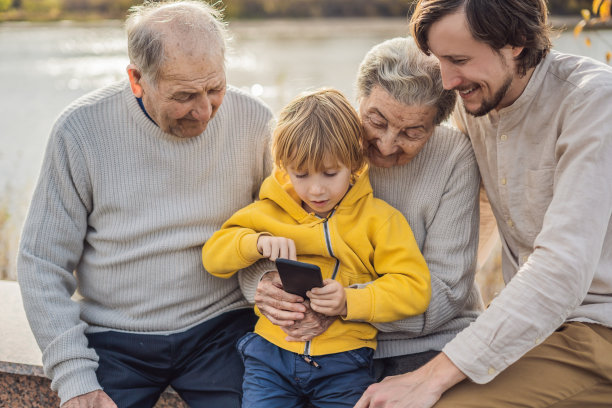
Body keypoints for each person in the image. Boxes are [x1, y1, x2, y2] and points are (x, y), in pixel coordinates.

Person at [355, 0, 612, 407]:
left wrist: (430, 377)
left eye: (459, 59)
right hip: (539, 328)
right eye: (439, 60)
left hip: (598, 329)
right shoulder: (477, 100)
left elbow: (561, 269)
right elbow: (482, 212)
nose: (447, 81)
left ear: (517, 42)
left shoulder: (593, 103)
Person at [16, 1, 273, 407]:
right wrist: (73, 374)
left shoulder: (256, 121)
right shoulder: (80, 131)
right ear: (137, 80)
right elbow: (41, 262)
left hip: (222, 329)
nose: (204, 110)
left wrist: (264, 280)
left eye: (215, 89)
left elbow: (282, 226)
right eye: (185, 95)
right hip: (114, 340)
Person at [238, 37, 483, 383]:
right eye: (377, 121)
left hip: (424, 343)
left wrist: (343, 308)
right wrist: (261, 283)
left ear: (436, 125)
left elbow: (445, 293)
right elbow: (260, 231)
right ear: (359, 100)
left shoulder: (454, 157)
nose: (385, 145)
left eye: (412, 132)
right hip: (322, 342)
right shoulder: (322, 138)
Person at [202, 88, 432, 407]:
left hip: (344, 363)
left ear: (354, 163)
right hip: (270, 358)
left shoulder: (379, 220)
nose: (316, 189)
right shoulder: (267, 212)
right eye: (301, 174)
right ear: (283, 166)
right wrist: (255, 243)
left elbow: (414, 288)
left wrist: (350, 300)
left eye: (330, 173)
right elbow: (214, 256)